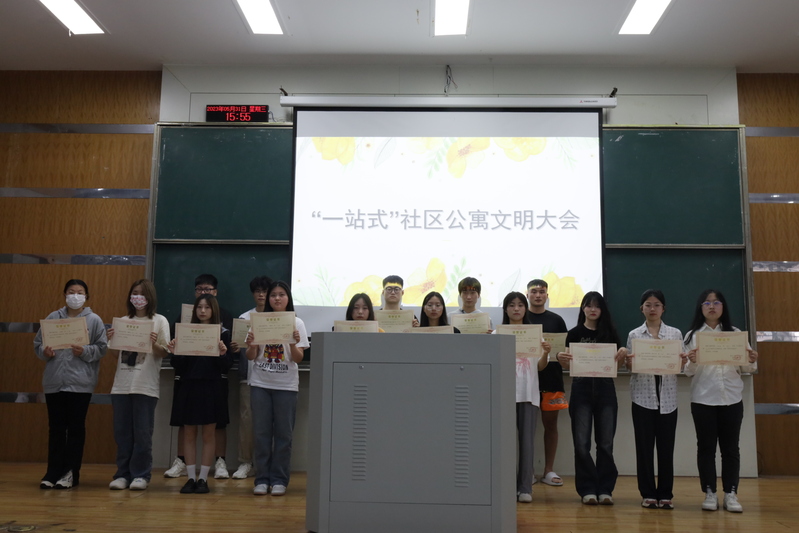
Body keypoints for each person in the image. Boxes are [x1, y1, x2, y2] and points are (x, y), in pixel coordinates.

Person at [683, 289, 758, 513]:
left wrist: (751, 359)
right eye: (707, 303)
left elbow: (747, 367)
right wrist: (692, 361)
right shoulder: (692, 336)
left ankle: (731, 493)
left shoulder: (735, 334)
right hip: (703, 399)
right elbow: (687, 372)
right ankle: (710, 493)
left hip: (731, 398)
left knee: (730, 449)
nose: (712, 306)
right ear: (701, 308)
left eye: (716, 302)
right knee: (706, 448)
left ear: (723, 307)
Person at [34, 279, 108, 489]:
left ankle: (70, 473)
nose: (75, 296)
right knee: (56, 429)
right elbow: (38, 344)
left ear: (86, 296)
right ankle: (52, 472)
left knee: (75, 429)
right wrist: (45, 352)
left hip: (80, 383)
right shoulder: (53, 317)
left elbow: (102, 348)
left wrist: (84, 351)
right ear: (65, 294)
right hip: (54, 382)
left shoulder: (94, 320)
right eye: (71, 292)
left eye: (80, 292)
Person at [557, 291, 626, 506]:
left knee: (605, 443)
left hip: (606, 390)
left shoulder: (610, 333)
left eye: (597, 306)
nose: (593, 309)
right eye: (589, 305)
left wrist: (622, 355)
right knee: (581, 444)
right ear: (583, 308)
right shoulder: (574, 333)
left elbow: (617, 366)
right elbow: (568, 364)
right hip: (581, 389)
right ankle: (587, 489)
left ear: (602, 309)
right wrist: (561, 359)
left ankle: (605, 489)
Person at [166, 273, 234, 479]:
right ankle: (189, 476)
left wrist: (223, 353)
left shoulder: (223, 333)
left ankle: (204, 477)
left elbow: (226, 365)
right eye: (199, 307)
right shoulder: (185, 331)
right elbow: (178, 364)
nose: (203, 311)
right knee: (188, 430)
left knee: (209, 432)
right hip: (188, 385)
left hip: (212, 386)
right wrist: (174, 352)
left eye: (207, 307)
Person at [624, 289, 687, 509]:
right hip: (643, 397)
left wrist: (683, 361)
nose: (652, 308)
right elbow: (630, 366)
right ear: (641, 308)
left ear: (663, 308)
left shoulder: (675, 334)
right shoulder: (634, 335)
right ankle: (648, 493)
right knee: (644, 449)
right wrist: (629, 363)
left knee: (666, 448)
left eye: (657, 305)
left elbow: (682, 366)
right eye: (648, 305)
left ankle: (666, 494)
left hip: (668, 399)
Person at [246, 281, 310, 496]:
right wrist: (251, 344)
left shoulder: (297, 323)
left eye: (281, 294)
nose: (277, 298)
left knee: (284, 435)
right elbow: (251, 356)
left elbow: (298, 358)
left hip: (286, 386)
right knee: (261, 434)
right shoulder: (259, 321)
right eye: (273, 295)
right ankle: (262, 479)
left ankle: (279, 480)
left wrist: (292, 341)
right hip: (260, 384)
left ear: (288, 298)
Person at [107, 279, 170, 491]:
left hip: (145, 386)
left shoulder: (159, 321)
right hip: (121, 386)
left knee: (142, 434)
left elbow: (164, 353)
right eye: (134, 292)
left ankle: (141, 475)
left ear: (150, 296)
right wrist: (112, 339)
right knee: (122, 434)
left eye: (142, 293)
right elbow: (116, 354)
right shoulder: (123, 321)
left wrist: (152, 343)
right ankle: (122, 474)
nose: (138, 297)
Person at [495, 292, 549, 503]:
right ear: (505, 309)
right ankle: (506, 486)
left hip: (528, 394)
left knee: (527, 443)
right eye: (511, 305)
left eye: (520, 305)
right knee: (504, 444)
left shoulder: (535, 334)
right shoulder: (497, 334)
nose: (516, 309)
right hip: (503, 395)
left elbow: (540, 367)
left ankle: (525, 487)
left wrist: (546, 352)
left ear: (525, 309)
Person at [526, 279, 568, 487]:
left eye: (542, 292)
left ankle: (548, 470)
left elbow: (564, 350)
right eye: (534, 292)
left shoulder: (557, 320)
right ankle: (527, 471)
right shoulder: (520, 319)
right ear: (527, 295)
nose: (538, 295)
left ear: (547, 295)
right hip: (527, 381)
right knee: (526, 428)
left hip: (552, 379)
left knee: (550, 425)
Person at [229, 275, 272, 479]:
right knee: (247, 422)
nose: (261, 295)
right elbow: (239, 347)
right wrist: (236, 348)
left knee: (271, 423)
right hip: (250, 375)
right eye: (257, 291)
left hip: (274, 375)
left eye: (264, 291)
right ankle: (245, 462)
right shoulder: (244, 318)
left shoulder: (279, 318)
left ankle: (267, 464)